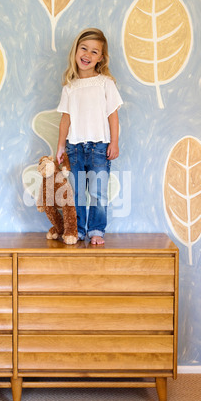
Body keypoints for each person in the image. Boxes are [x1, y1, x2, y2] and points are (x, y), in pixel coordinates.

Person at [56, 28, 123, 245]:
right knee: (75, 193)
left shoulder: (105, 83)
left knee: (97, 192)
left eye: (94, 52)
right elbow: (65, 120)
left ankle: (96, 230)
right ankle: (77, 230)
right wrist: (60, 147)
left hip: (100, 148)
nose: (88, 55)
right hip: (74, 148)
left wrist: (114, 142)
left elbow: (113, 115)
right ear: (76, 51)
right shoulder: (70, 87)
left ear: (101, 58)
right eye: (84, 48)